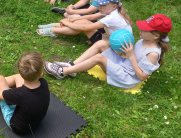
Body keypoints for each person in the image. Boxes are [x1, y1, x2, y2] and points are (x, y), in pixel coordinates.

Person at [44, 14, 172, 89]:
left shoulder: (153, 53)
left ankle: (63, 72)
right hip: (124, 64)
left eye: (144, 29)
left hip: (126, 77)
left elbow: (142, 76)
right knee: (101, 43)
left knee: (98, 58)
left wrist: (131, 55)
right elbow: (130, 56)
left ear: (156, 36)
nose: (140, 30)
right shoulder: (143, 40)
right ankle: (72, 66)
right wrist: (125, 51)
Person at [37, 0, 133, 45]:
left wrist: (67, 22)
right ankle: (52, 26)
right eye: (99, 4)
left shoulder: (112, 17)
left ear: (114, 6)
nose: (99, 7)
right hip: (112, 40)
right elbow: (90, 17)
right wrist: (72, 19)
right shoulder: (112, 10)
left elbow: (85, 27)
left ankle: (53, 30)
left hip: (113, 47)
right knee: (83, 21)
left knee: (83, 25)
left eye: (103, 5)